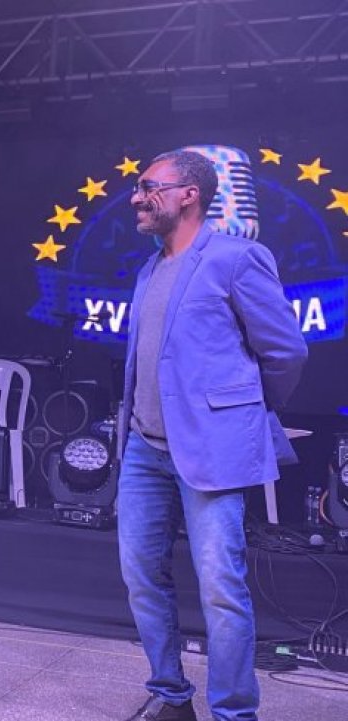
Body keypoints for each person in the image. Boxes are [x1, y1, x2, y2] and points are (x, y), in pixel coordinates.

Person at [117, 149, 307, 721]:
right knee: (141, 578)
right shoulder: (149, 269)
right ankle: (171, 696)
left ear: (188, 194)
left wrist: (244, 413)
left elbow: (285, 351)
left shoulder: (236, 258)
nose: (136, 197)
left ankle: (234, 713)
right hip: (143, 449)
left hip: (211, 450)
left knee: (221, 589)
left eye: (148, 186)